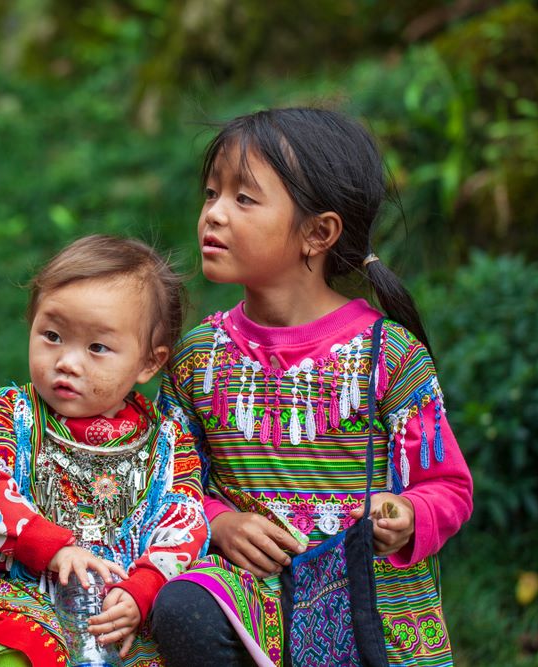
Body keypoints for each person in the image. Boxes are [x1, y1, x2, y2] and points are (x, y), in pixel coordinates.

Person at [149, 108, 473, 666]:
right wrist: (218, 520)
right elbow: (166, 479)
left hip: (369, 603)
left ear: (318, 233)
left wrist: (408, 514)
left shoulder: (387, 357)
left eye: (243, 199)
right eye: (210, 194)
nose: (214, 214)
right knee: (182, 608)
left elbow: (448, 486)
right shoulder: (197, 358)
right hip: (251, 595)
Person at [0, 235, 209, 667]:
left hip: (118, 610)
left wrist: (144, 585)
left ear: (148, 363)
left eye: (97, 348)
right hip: (18, 594)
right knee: (14, 652)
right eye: (52, 335)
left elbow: (186, 520)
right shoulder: (12, 413)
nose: (67, 362)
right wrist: (48, 545)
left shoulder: (167, 441)